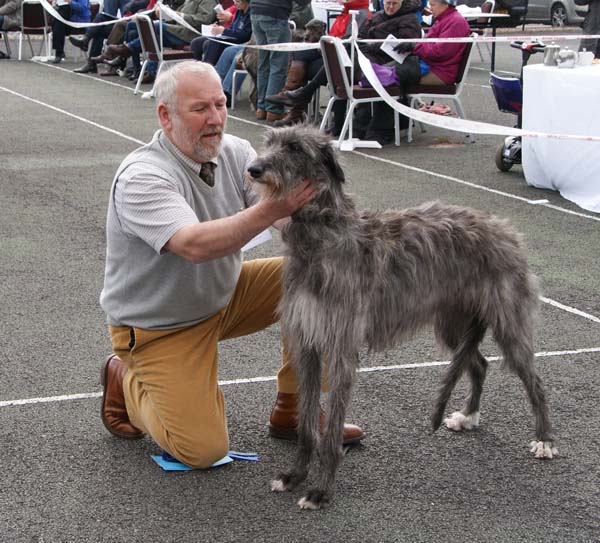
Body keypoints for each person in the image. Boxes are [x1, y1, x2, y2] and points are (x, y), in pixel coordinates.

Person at [99, 61, 364, 469]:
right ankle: (125, 380)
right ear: (165, 115)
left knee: (325, 279)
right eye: (200, 108)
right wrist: (275, 207)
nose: (216, 119)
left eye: (220, 104)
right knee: (202, 451)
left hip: (224, 297)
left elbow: (281, 218)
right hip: (160, 327)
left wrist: (331, 224)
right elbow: (192, 245)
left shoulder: (236, 151)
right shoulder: (143, 176)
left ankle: (297, 409)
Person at [267, 0, 422, 130]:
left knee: (338, 61)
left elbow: (403, 49)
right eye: (387, 3)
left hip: (381, 66)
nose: (390, 7)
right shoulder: (376, 15)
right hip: (362, 58)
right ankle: (310, 103)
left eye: (394, 3)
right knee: (327, 59)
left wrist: (367, 47)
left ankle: (302, 97)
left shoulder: (408, 20)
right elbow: (359, 36)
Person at [102, 0, 217, 83]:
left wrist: (180, 15)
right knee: (133, 26)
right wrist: (165, 14)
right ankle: (137, 68)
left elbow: (204, 19)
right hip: (177, 29)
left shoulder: (208, 1)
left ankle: (129, 50)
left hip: (190, 33)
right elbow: (175, 15)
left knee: (157, 27)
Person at [250, 0, 311, 123]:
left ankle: (261, 108)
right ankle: (273, 110)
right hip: (275, 13)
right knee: (278, 64)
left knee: (264, 63)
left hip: (255, 10)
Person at [189, 0, 251, 65]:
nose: (235, 3)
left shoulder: (250, 14)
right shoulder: (239, 11)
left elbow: (244, 35)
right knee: (196, 42)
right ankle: (198, 65)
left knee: (212, 43)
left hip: (239, 40)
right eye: (234, 1)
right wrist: (218, 28)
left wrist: (224, 31)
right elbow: (232, 28)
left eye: (238, 1)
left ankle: (208, 66)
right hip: (230, 36)